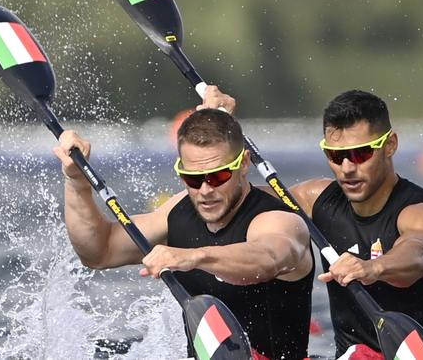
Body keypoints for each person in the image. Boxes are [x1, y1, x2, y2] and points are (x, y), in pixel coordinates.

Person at [200, 86, 423, 360]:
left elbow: (422, 252)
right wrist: (216, 129)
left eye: (361, 154)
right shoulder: (316, 200)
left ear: (390, 144)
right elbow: (233, 201)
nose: (347, 168)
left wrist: (374, 267)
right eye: (336, 156)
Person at [53, 108, 315, 360]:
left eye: (218, 175)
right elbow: (99, 251)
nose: (205, 190)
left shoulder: (275, 218)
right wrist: (76, 182)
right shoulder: (177, 213)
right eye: (192, 178)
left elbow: (268, 258)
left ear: (244, 163)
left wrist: (194, 257)